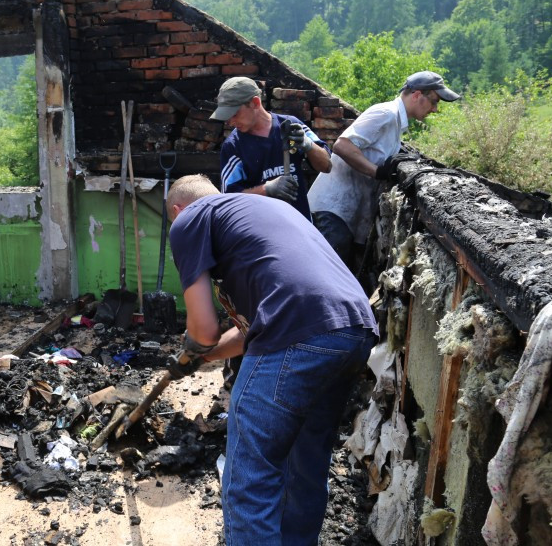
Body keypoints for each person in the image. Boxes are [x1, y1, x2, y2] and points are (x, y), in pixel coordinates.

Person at [164, 174, 378, 546]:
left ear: (178, 210)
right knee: (305, 466)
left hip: (296, 330)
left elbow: (204, 329)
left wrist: (193, 347)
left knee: (251, 479)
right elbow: (247, 334)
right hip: (352, 331)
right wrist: (203, 358)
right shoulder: (262, 214)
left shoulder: (189, 219)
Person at [307, 70, 460, 270]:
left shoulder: (396, 123)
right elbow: (342, 146)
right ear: (417, 95)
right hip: (333, 212)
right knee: (326, 276)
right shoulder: (385, 114)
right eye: (434, 101)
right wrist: (377, 172)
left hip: (346, 215)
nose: (435, 109)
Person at [211, 76, 332, 221]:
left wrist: (308, 145)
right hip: (262, 229)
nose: (230, 122)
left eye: (234, 114)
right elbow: (229, 200)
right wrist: (266, 189)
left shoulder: (290, 126)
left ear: (255, 103)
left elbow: (326, 166)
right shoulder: (233, 146)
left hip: (301, 224)